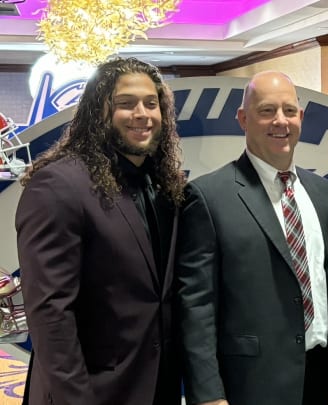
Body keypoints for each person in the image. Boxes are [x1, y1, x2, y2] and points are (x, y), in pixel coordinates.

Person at [16, 57, 186, 405]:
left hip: (155, 387)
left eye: (151, 103)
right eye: (126, 103)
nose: (142, 114)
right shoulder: (58, 185)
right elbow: (51, 314)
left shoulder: (163, 186)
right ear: (99, 112)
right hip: (89, 393)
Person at [175, 71, 328, 405]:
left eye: (289, 111)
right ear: (243, 119)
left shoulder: (324, 195)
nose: (280, 121)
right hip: (248, 386)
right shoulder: (209, 196)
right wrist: (208, 394)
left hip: (318, 379)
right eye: (267, 111)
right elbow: (197, 307)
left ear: (301, 118)